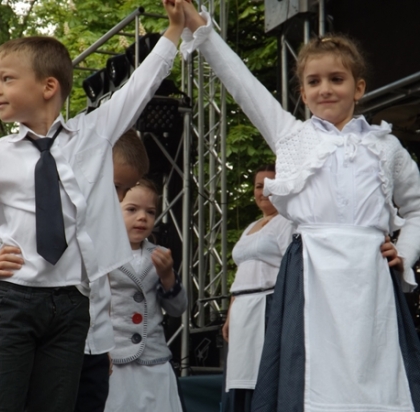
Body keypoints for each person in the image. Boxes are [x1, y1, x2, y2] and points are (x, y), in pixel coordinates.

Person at [0, 2, 185, 411]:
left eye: (7, 79)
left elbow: (142, 83)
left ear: (48, 86)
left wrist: (174, 30)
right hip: (16, 300)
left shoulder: (94, 134)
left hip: (71, 305)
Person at [180, 3, 420, 411]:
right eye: (314, 81)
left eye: (336, 79)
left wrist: (405, 252)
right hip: (312, 274)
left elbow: (415, 208)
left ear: (359, 87)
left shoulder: (386, 146)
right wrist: (199, 26)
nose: (325, 88)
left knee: (378, 378)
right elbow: (243, 84)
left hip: (370, 275)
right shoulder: (292, 137)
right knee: (310, 378)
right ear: (302, 93)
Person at [75, 128, 150, 412]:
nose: (119, 198)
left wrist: (102, 342)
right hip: (61, 342)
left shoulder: (109, 225)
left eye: (125, 190)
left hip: (95, 347)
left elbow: (101, 285)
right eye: (116, 186)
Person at [104, 179, 187, 412]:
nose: (142, 217)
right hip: (113, 360)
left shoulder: (160, 255)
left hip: (154, 359)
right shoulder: (101, 253)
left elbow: (178, 308)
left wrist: (168, 276)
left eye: (150, 212)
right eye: (132, 209)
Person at [221, 165, 294, 412]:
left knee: (261, 373)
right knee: (238, 375)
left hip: (268, 304)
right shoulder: (250, 227)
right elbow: (242, 274)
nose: (263, 192)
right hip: (241, 308)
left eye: (269, 185)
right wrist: (231, 313)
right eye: (258, 186)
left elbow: (290, 268)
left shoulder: (286, 222)